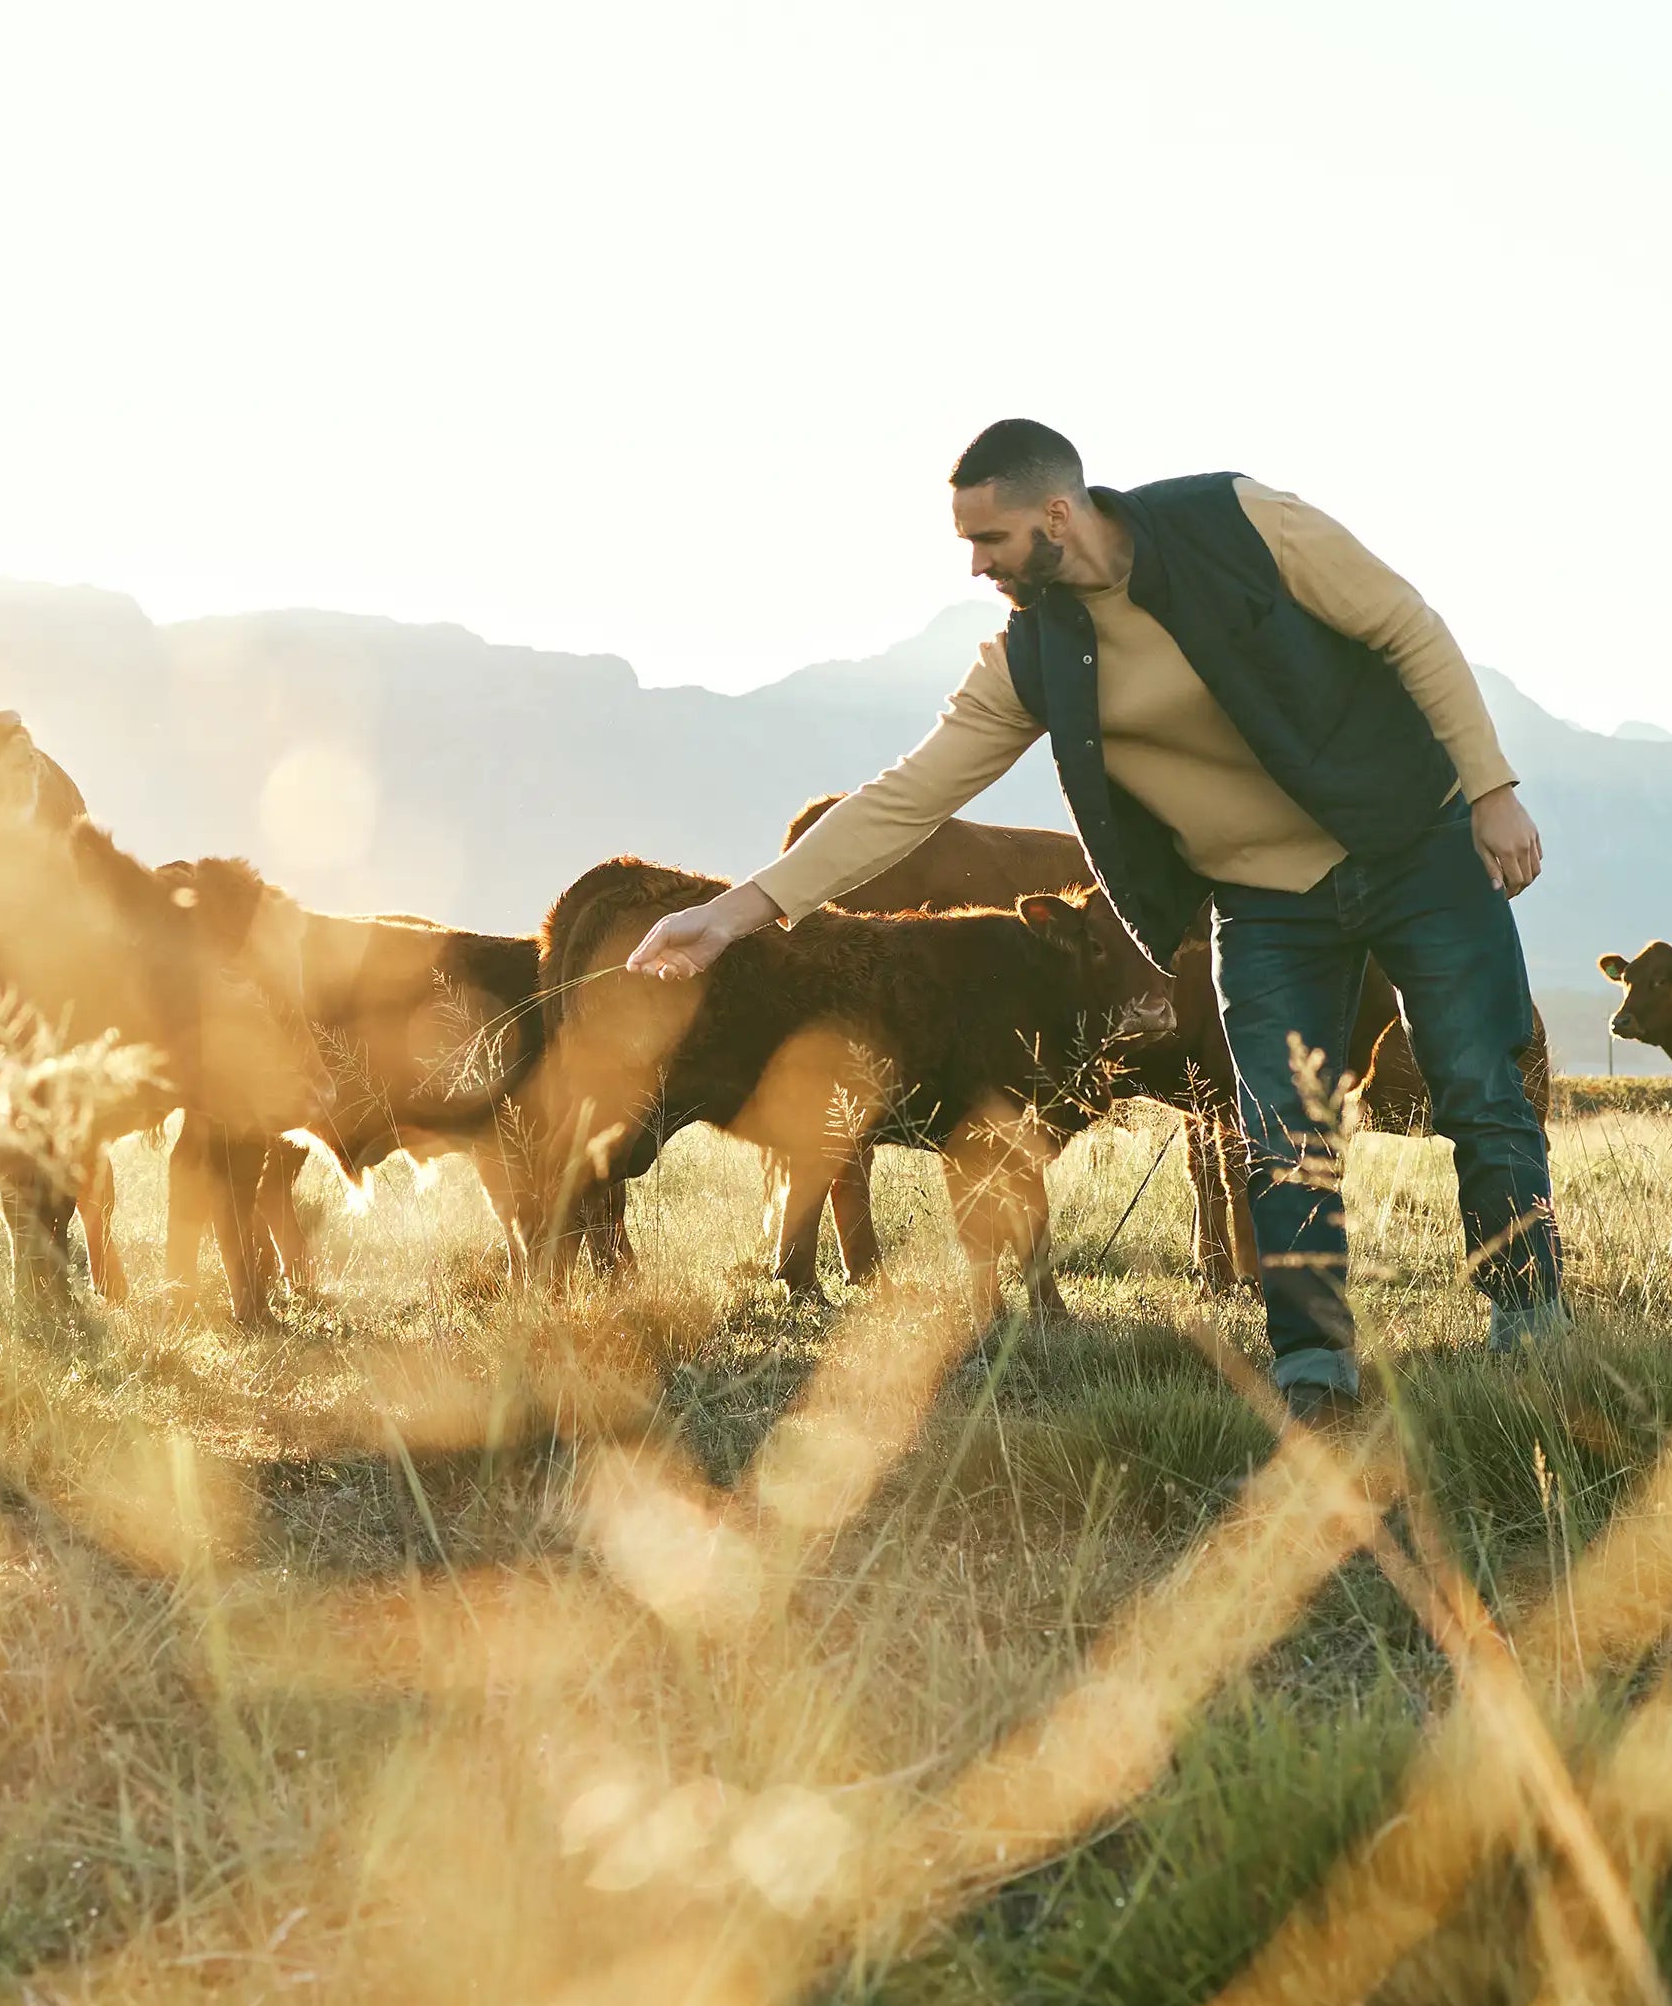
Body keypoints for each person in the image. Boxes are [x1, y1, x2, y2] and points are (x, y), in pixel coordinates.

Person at [627, 419, 1562, 1412]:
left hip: (1414, 845)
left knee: (1477, 1083)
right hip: (1264, 903)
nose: (977, 566)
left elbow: (1404, 624)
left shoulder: (1240, 520)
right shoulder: (1030, 661)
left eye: (989, 540)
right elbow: (906, 798)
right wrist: (735, 912)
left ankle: (1526, 1323)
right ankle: (1313, 1369)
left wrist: (1491, 787)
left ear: (1057, 515)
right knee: (1280, 1129)